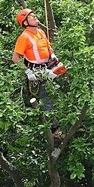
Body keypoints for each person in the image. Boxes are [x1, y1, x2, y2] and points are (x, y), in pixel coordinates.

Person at [12, 8, 65, 138]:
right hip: (37, 71)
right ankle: (54, 131)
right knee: (46, 99)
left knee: (58, 90)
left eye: (34, 15)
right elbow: (15, 59)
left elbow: (48, 48)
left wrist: (53, 56)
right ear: (25, 22)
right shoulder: (24, 37)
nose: (35, 17)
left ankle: (62, 121)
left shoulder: (41, 32)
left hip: (48, 66)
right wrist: (29, 72)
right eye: (31, 16)